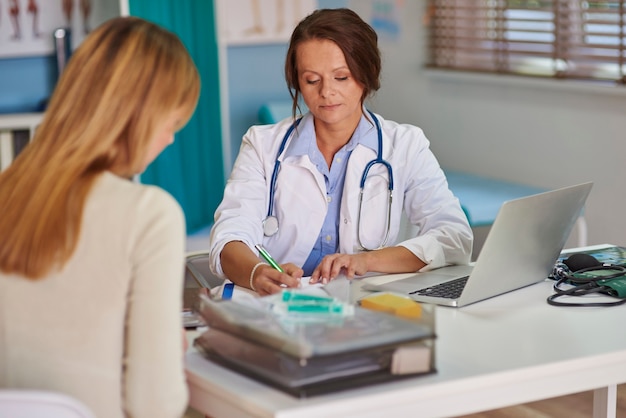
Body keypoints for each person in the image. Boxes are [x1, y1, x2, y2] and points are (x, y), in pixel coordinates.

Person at [0, 16, 200, 418]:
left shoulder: (9, 190)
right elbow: (155, 406)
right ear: (139, 116)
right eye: (170, 123)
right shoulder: (149, 214)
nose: (170, 139)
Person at [209, 8, 472, 296]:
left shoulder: (406, 145)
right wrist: (257, 272)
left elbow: (454, 237)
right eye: (312, 80)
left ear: (366, 74)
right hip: (279, 304)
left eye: (341, 77)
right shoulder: (262, 145)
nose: (326, 92)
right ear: (297, 81)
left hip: (362, 306)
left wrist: (366, 260)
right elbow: (230, 237)